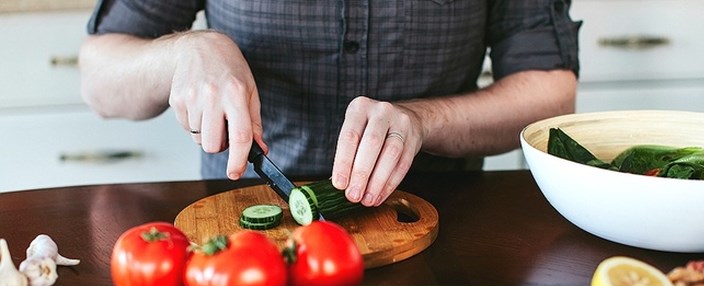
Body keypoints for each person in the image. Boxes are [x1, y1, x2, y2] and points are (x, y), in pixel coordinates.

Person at [79, 1, 580, 207]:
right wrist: (187, 51)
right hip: (240, 219)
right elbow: (99, 78)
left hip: (442, 214)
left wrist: (424, 120)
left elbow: (549, 95)